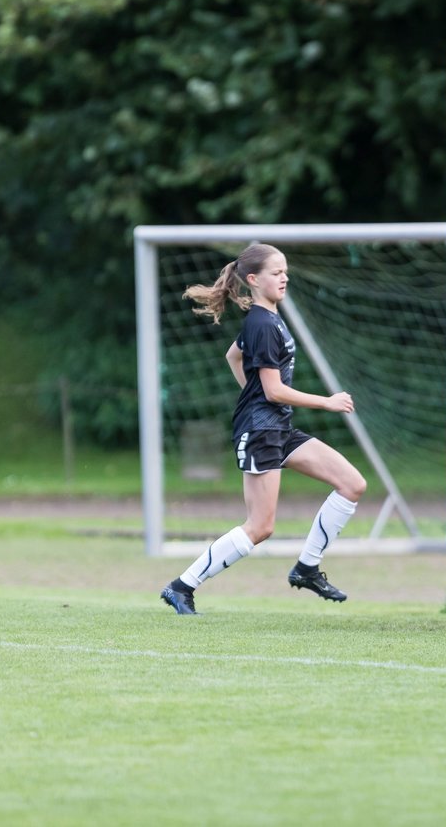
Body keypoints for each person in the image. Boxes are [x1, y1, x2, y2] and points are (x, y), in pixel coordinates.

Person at [160, 243, 367, 615]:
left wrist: (253, 395)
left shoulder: (267, 320)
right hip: (260, 432)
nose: (284, 277)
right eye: (276, 272)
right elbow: (272, 390)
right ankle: (181, 586)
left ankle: (306, 568)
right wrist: (327, 401)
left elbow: (233, 356)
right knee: (260, 526)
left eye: (285, 270)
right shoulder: (261, 323)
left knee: (352, 484)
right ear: (254, 280)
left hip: (277, 427)